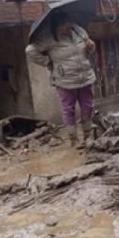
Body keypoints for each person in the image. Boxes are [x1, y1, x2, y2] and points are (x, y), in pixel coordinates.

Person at [26, 12, 97, 147]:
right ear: (56, 26)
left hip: (85, 77)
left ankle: (88, 136)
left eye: (69, 24)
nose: (67, 28)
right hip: (65, 81)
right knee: (68, 109)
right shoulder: (48, 37)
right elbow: (30, 51)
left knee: (88, 107)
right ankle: (73, 139)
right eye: (64, 26)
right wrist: (47, 61)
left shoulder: (79, 30)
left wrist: (91, 46)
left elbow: (89, 51)